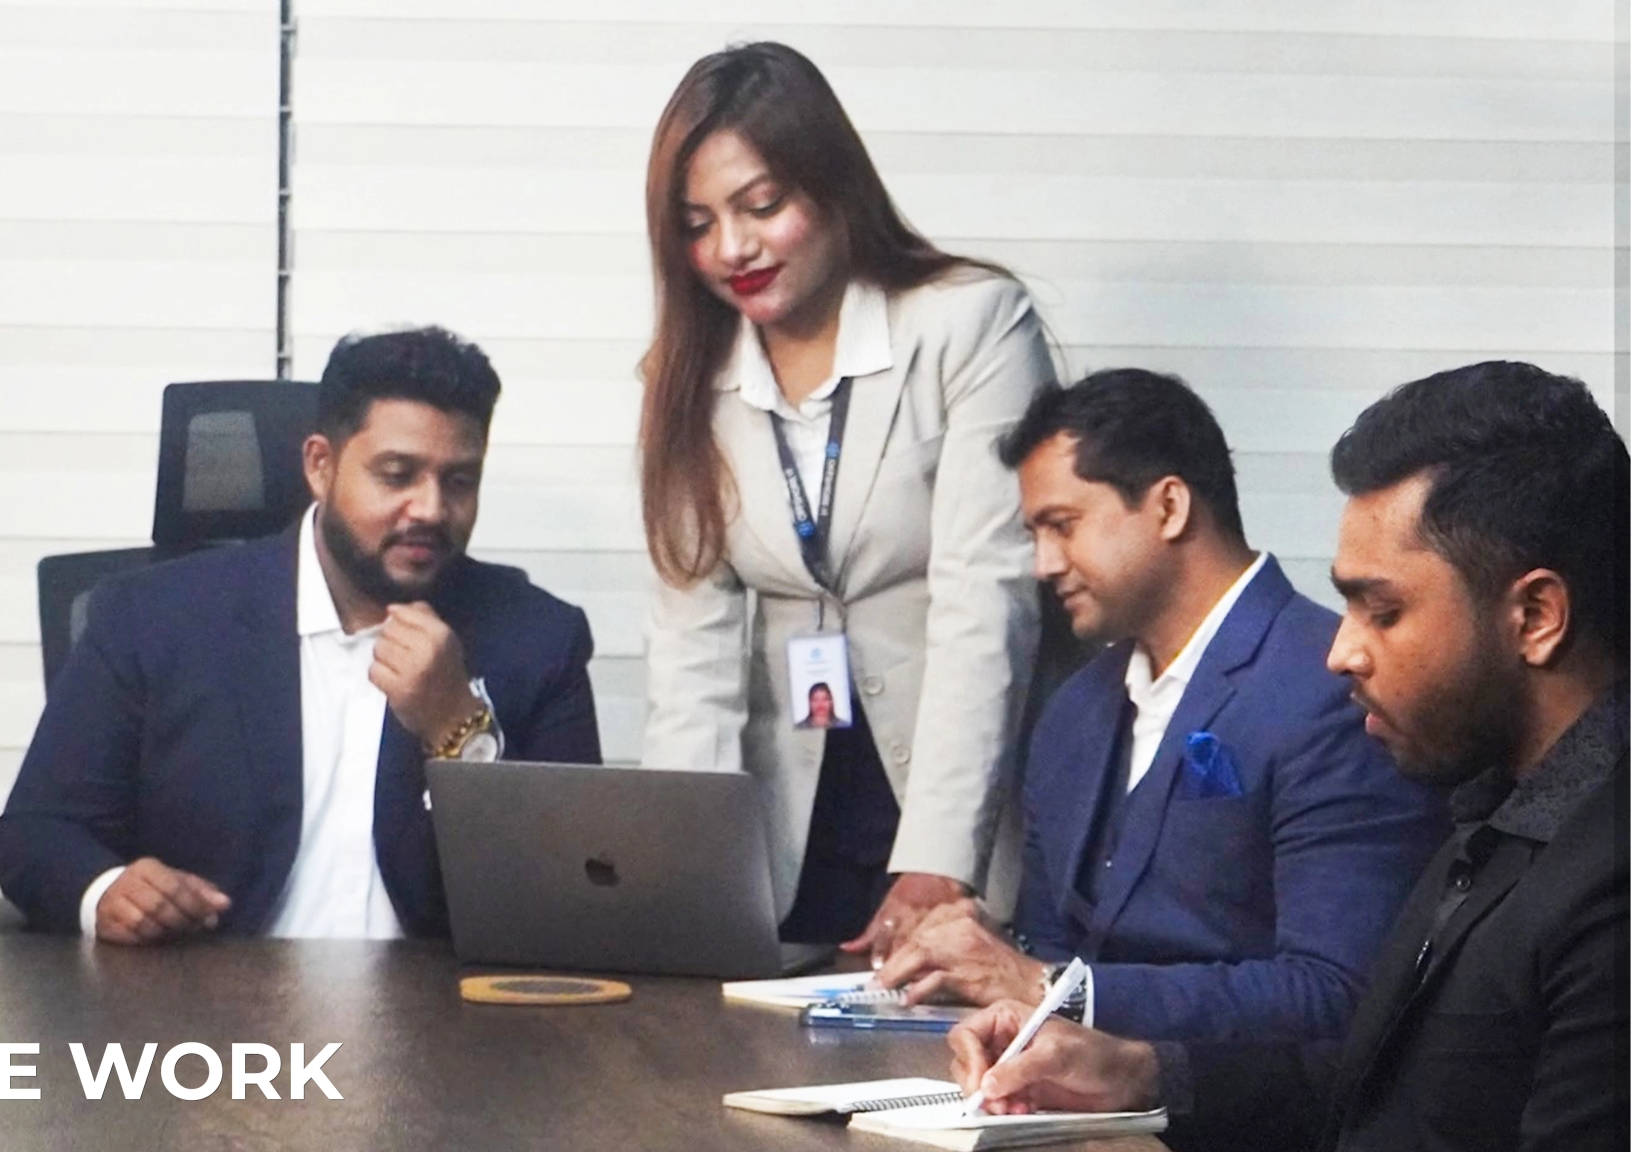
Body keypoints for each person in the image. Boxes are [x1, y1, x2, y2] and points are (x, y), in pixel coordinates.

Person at [946, 361, 1628, 1152]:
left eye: (1385, 611)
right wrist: (1143, 1073)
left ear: (1537, 616)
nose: (1341, 653)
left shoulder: (1606, 884)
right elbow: (1368, 1084)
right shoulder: (1486, 813)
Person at [875, 370, 1447, 1043]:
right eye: (1033, 534)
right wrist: (974, 960)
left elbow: (1337, 992)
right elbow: (1045, 951)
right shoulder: (1074, 711)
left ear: (1170, 507)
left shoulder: (1336, 688)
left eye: (1062, 525)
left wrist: (1052, 990)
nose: (1043, 564)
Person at [637, 41, 1056, 947]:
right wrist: (684, 885)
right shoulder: (687, 378)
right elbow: (690, 657)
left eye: (762, 206)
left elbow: (989, 601)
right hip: (790, 811)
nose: (732, 249)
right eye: (698, 223)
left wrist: (941, 858)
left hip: (951, 797)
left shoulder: (970, 323)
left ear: (833, 186)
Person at [0, 327, 603, 943]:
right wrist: (105, 891)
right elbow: (36, 833)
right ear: (320, 465)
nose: (431, 509)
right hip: (211, 1008)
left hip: (437, 1016)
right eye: (397, 475)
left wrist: (458, 730)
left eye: (460, 482)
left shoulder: (537, 638)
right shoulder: (155, 618)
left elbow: (574, 898)